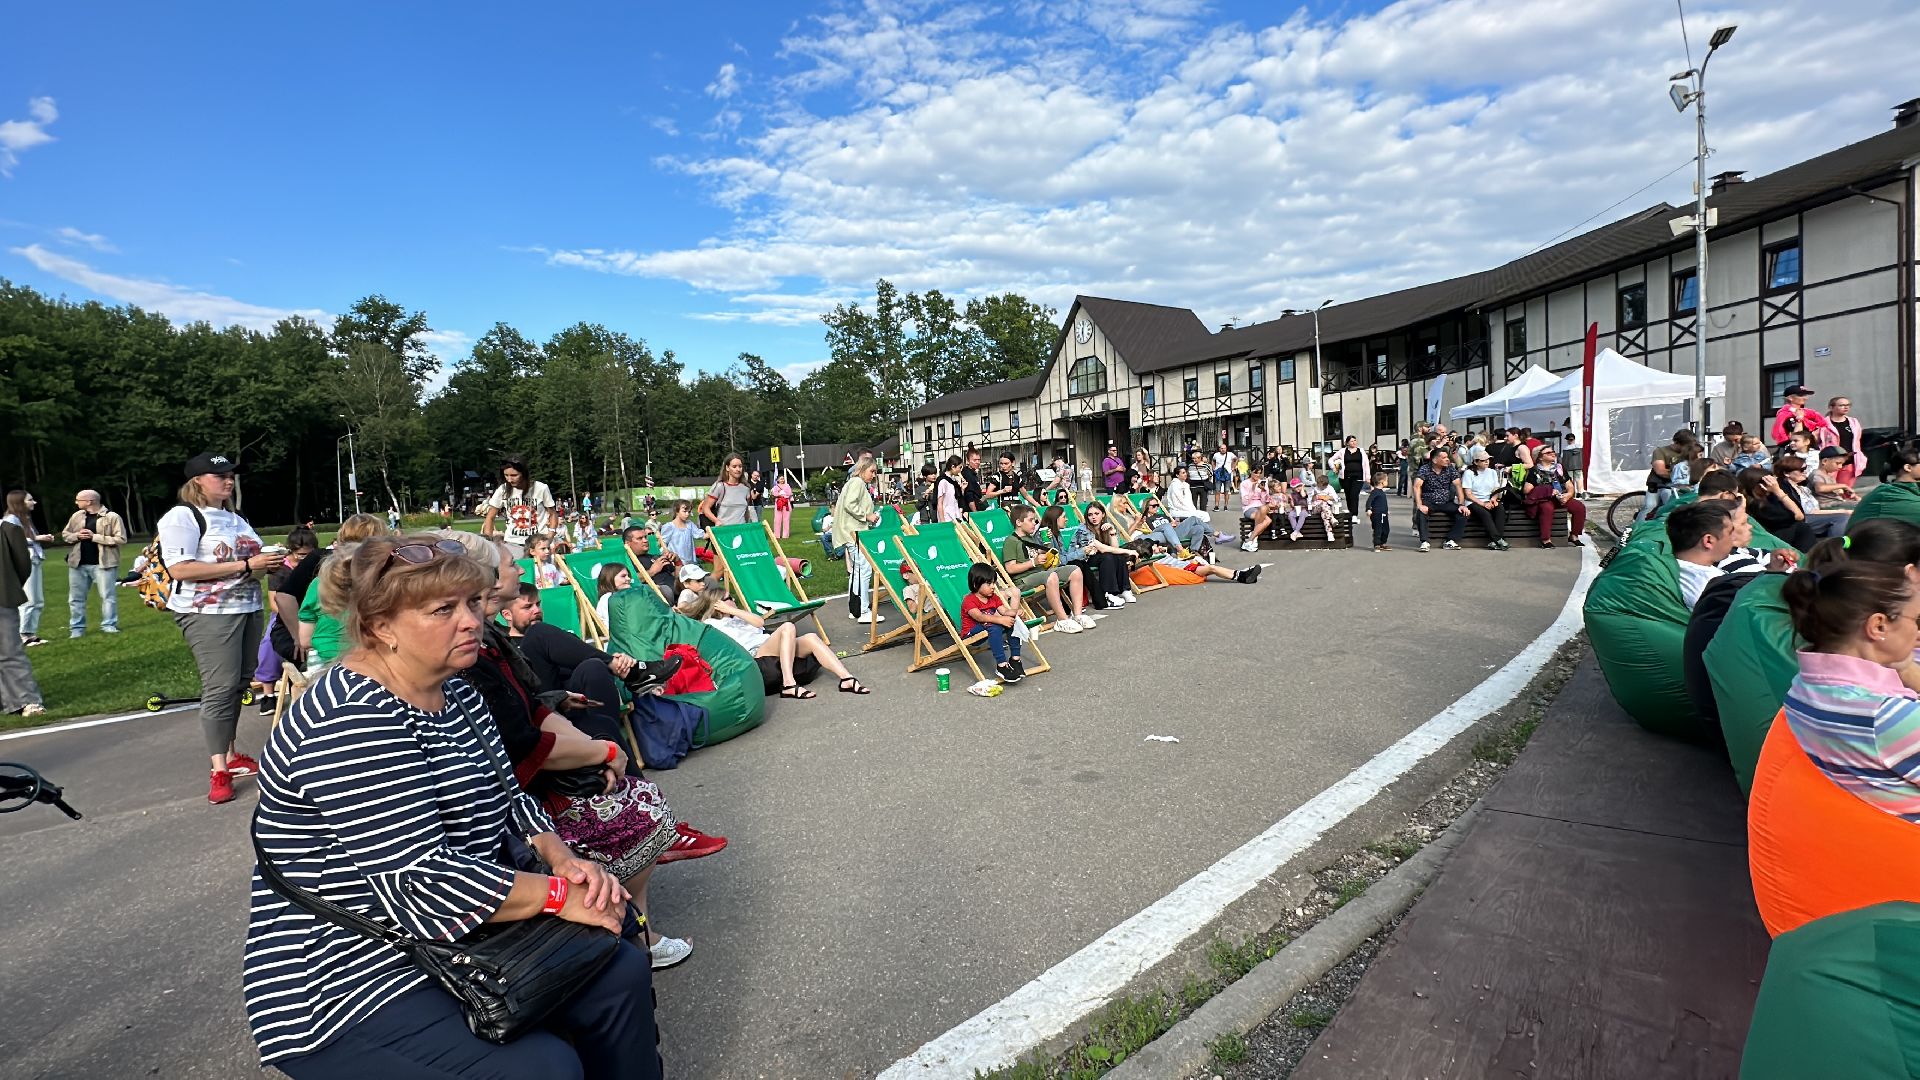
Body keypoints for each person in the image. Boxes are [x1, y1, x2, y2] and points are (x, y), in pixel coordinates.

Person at [244, 534, 663, 1079]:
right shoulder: (348, 721)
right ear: (379, 627)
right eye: (443, 609)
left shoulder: (456, 690)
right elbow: (420, 881)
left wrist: (563, 859)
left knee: (620, 971)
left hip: (457, 933)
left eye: (471, 602)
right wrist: (561, 896)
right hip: (347, 974)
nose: (470, 621)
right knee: (542, 1068)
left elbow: (509, 795)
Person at [465, 537, 708, 970]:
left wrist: (595, 742)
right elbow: (522, 743)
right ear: (482, 581)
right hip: (522, 793)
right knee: (643, 809)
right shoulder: (477, 652)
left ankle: (639, 925)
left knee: (593, 673)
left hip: (543, 748)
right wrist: (601, 753)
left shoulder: (492, 640)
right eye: (510, 566)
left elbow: (534, 709)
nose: (520, 571)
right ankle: (639, 932)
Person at [158, 454, 285, 804]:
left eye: (231, 476)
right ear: (197, 480)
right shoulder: (182, 516)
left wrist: (265, 563)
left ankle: (230, 755)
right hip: (208, 612)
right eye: (220, 476)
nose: (228, 482)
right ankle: (219, 769)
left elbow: (251, 564)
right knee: (220, 685)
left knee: (241, 683)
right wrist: (247, 563)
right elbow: (180, 569)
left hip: (246, 606)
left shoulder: (235, 518)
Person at [1777, 558, 1920, 821]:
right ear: (1879, 626)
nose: (1918, 631)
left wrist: (1906, 667)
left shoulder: (1803, 688)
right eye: (1917, 619)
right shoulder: (1887, 716)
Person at [675, 589, 870, 697]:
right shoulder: (712, 623)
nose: (733, 601)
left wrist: (734, 611)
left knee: (810, 637)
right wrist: (729, 611)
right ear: (718, 604)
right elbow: (760, 623)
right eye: (729, 599)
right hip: (757, 655)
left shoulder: (739, 617)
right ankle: (788, 684)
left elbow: (759, 623)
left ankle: (846, 679)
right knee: (787, 627)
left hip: (771, 646)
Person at [281, 513, 388, 673]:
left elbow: (305, 640)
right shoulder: (386, 582)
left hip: (323, 665)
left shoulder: (319, 583)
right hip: (373, 662)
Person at [1669, 499, 1797, 609]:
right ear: (1709, 541)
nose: (1733, 539)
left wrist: (1771, 570)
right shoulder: (1712, 586)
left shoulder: (1683, 569)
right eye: (1730, 532)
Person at [1002, 504, 1093, 634]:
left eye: (1034, 520)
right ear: (1018, 522)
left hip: (1040, 573)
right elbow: (1010, 568)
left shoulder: (1030, 537)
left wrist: (1048, 543)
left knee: (1075, 570)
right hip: (1023, 580)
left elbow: (1044, 555)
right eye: (1031, 520)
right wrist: (1033, 562)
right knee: (1051, 576)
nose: (1034, 523)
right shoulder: (1011, 541)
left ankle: (1077, 615)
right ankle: (1062, 620)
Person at [60, 488, 126, 638]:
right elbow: (65, 535)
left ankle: (109, 625)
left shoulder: (112, 517)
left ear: (89, 501)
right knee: (75, 599)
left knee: (107, 596)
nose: (76, 502)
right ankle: (77, 629)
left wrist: (94, 537)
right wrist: (77, 535)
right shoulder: (77, 516)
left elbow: (121, 539)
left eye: (79, 500)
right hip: (78, 565)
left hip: (104, 564)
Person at [0, 507, 44, 718]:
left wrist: (9, 585)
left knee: (9, 651)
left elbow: (22, 565)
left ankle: (26, 701)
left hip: (2, 597)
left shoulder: (8, 528)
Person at [836, 454, 885, 626]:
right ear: (863, 469)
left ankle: (855, 608)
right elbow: (850, 505)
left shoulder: (854, 483)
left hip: (852, 530)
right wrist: (867, 516)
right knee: (863, 570)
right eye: (872, 471)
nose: (874, 475)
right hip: (854, 531)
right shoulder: (857, 483)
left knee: (858, 570)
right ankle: (863, 610)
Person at [480, 456, 558, 559]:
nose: (509, 479)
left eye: (514, 475)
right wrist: (489, 543)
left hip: (539, 544)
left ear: (524, 473)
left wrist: (550, 536)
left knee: (543, 573)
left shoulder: (541, 488)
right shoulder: (502, 490)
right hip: (513, 544)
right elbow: (490, 517)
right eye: (506, 475)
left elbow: (552, 514)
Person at [960, 562, 1026, 684]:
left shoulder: (993, 597)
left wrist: (1015, 612)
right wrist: (1000, 620)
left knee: (1011, 622)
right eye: (989, 583)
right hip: (971, 633)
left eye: (994, 583)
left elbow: (1004, 611)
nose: (993, 586)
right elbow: (979, 617)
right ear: (976, 584)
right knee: (994, 626)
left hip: (988, 628)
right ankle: (1001, 665)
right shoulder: (969, 600)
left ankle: (1015, 659)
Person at [3, 491, 54, 647]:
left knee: (38, 600)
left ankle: (30, 634)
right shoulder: (10, 520)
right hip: (23, 562)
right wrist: (38, 538)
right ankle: (21, 635)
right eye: (30, 500)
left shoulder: (24, 519)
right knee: (29, 600)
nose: (34, 502)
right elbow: (10, 540)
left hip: (34, 560)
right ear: (20, 502)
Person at [1071, 501, 1137, 608]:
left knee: (1117, 556)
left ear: (1103, 515)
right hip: (1082, 559)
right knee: (1107, 556)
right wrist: (1129, 551)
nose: (1093, 517)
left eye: (1096, 514)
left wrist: (1112, 532)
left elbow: (1115, 548)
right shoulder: (1083, 530)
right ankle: (1108, 593)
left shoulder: (1105, 527)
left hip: (1096, 556)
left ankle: (1125, 589)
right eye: (1090, 515)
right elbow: (1102, 548)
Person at [1522, 446, 1588, 549]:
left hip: (1561, 497)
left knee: (1579, 507)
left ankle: (1574, 535)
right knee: (1546, 508)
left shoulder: (1559, 468)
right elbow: (1527, 489)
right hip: (1545, 499)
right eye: (1548, 453)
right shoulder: (1534, 471)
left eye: (1553, 452)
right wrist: (1547, 490)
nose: (1553, 454)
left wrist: (1568, 495)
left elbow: (1569, 485)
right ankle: (1546, 540)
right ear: (1540, 457)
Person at [1411, 449, 1467, 552]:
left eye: (1447, 457)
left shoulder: (1450, 469)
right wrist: (1419, 504)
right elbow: (1416, 486)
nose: (1447, 460)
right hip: (1429, 501)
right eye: (1444, 458)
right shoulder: (1425, 469)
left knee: (1463, 513)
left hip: (1446, 502)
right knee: (1421, 512)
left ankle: (1450, 540)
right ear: (1435, 460)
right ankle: (1424, 542)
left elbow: (1458, 486)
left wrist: (1461, 504)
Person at [1142, 539, 1261, 583]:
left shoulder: (1162, 553)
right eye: (1155, 548)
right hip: (1186, 569)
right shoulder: (1154, 560)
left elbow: (1174, 556)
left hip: (1188, 565)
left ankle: (1244, 575)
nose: (1158, 548)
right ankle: (1243, 576)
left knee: (1212, 568)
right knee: (1212, 568)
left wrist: (1164, 550)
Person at [1461, 449, 1510, 550]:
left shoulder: (1492, 472)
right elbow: (1468, 494)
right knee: (1485, 513)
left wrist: (1493, 499)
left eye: (1488, 459)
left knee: (1500, 509)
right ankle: (1498, 539)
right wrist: (1483, 504)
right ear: (1476, 462)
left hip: (1489, 499)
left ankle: (1494, 541)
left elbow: (1496, 489)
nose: (1487, 462)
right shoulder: (1469, 473)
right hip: (1474, 501)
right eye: (1483, 460)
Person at [1137, 493, 1208, 556]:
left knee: (1199, 528)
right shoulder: (1145, 518)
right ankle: (1180, 550)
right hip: (1160, 534)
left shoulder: (1163, 515)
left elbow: (1175, 523)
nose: (1156, 507)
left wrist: (1177, 523)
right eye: (1153, 506)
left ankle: (1193, 551)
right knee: (1168, 526)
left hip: (1174, 533)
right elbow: (1151, 531)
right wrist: (1169, 525)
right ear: (1146, 506)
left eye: (1157, 505)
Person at [621, 524, 679, 599]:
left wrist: (678, 562)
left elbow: (677, 576)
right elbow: (630, 580)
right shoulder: (627, 562)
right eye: (639, 538)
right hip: (658, 598)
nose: (645, 540)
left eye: (645, 537)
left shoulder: (656, 557)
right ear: (627, 543)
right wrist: (652, 571)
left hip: (678, 591)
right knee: (665, 590)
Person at [1163, 465, 1218, 540]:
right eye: (1183, 473)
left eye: (1185, 472)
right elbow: (1177, 503)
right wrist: (1190, 511)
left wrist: (1193, 510)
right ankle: (1212, 535)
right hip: (1177, 511)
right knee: (1203, 515)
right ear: (1177, 475)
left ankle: (1202, 536)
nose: (1185, 474)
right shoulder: (1174, 485)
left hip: (1187, 509)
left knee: (1203, 515)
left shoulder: (1186, 485)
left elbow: (1189, 501)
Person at [1771, 384, 1834, 448]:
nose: (1805, 398)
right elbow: (1786, 435)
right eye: (1800, 395)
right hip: (1794, 449)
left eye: (1806, 395)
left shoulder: (1808, 413)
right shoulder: (1785, 415)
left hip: (1811, 447)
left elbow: (1824, 424)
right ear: (1790, 398)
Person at [699, 453, 752, 527]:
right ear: (727, 468)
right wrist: (716, 521)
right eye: (734, 466)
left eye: (740, 466)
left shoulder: (746, 488)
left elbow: (746, 511)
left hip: (741, 530)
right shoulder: (720, 486)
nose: (738, 469)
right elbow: (705, 508)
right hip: (724, 531)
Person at [1826, 395, 1865, 485]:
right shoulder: (1824, 423)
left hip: (1849, 460)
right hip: (1831, 460)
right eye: (1841, 405)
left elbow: (1857, 441)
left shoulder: (1853, 422)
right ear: (1831, 407)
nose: (1846, 407)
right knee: (1829, 488)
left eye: (1848, 405)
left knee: (1845, 489)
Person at [1333, 435, 1372, 521]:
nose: (1354, 442)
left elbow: (1366, 464)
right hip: (1345, 477)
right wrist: (1335, 468)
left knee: (1354, 495)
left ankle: (1354, 514)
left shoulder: (1361, 451)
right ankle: (1351, 512)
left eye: (1355, 440)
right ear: (1347, 443)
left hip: (1358, 476)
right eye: (1351, 441)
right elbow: (1331, 460)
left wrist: (1368, 476)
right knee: (1348, 495)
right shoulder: (1342, 451)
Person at [658, 499, 703, 568]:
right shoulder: (669, 526)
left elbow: (700, 534)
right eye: (684, 511)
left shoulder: (690, 524)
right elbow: (663, 543)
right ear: (677, 511)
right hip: (676, 564)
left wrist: (713, 531)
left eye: (689, 512)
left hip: (690, 562)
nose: (687, 514)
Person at [1237, 472, 1271, 552]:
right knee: (1267, 520)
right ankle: (1253, 538)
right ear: (1251, 472)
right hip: (1249, 507)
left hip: (1260, 506)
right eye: (1256, 473)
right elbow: (1245, 502)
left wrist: (1263, 490)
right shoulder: (1244, 483)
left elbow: (1265, 501)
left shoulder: (1262, 482)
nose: (1257, 475)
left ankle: (1250, 539)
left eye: (1259, 473)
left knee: (1264, 510)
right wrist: (1252, 489)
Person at [1365, 472, 1392, 552]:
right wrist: (1368, 509)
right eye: (1386, 480)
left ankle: (1382, 543)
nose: (1387, 482)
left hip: (1384, 514)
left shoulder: (1381, 492)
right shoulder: (1375, 491)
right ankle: (1377, 544)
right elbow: (1369, 501)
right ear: (1382, 482)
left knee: (1386, 529)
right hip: (1377, 514)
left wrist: (1386, 511)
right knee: (1378, 529)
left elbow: (1382, 503)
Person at [934, 455, 966, 523]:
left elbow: (956, 498)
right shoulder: (943, 481)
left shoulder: (954, 480)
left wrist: (962, 489)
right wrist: (943, 522)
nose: (960, 470)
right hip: (947, 517)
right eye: (959, 467)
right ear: (953, 467)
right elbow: (940, 503)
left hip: (955, 515)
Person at [1309, 472, 1342, 538]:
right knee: (1323, 503)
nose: (1322, 488)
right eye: (1321, 487)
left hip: (1326, 509)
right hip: (1316, 507)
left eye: (1324, 487)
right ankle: (1332, 518)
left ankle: (1329, 533)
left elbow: (1337, 498)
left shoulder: (1330, 488)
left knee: (1324, 516)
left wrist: (1329, 497)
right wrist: (1316, 496)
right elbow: (1309, 500)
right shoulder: (1314, 488)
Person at [1211, 442, 1236, 511]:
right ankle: (1216, 506)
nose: (1223, 450)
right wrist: (1214, 469)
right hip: (1218, 474)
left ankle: (1226, 506)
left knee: (1226, 491)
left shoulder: (1230, 454)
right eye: (1222, 448)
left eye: (1224, 448)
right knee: (1217, 490)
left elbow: (1235, 459)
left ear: (1226, 449)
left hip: (1227, 473)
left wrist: (1233, 467)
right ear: (1219, 449)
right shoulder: (1216, 455)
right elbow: (1213, 461)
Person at [771, 473, 794, 538]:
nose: (782, 480)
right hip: (779, 503)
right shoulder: (775, 487)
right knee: (777, 519)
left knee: (786, 519)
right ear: (778, 480)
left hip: (786, 502)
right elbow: (774, 494)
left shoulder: (787, 486)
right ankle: (776, 535)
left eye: (783, 478)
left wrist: (784, 495)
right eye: (781, 479)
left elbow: (789, 493)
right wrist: (780, 495)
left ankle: (785, 535)